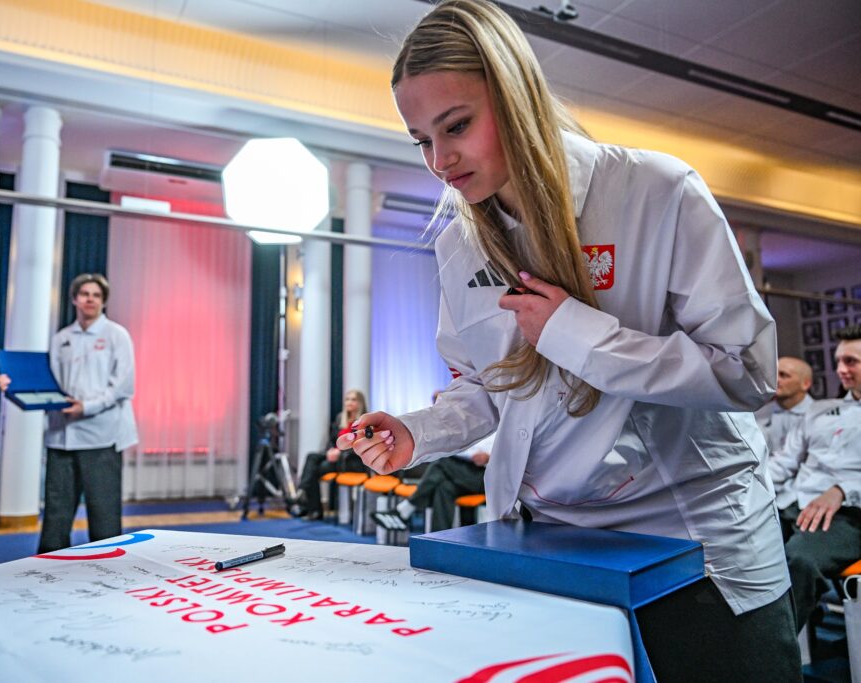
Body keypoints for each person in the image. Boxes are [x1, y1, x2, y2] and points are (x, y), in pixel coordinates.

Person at [337, 2, 798, 680]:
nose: (440, 160)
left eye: (456, 126)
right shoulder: (461, 243)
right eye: (420, 141)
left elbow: (748, 370)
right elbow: (489, 386)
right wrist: (417, 432)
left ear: (517, 99)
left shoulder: (655, 191)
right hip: (546, 544)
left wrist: (576, 334)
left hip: (689, 546)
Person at [0, 273, 137, 554]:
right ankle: (50, 570)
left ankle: (109, 569)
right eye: (84, 294)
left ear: (103, 301)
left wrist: (87, 406)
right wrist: (14, 385)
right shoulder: (61, 338)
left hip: (101, 437)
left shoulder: (116, 335)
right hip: (60, 437)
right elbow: (46, 382)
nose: (90, 300)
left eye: (96, 295)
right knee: (56, 516)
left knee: (104, 515)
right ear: (74, 299)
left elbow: (123, 386)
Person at [770, 326, 861, 631]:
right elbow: (784, 462)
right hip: (794, 505)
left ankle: (772, 649)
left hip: (848, 516)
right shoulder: (821, 411)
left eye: (851, 361)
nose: (841, 370)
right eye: (839, 361)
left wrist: (843, 490)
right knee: (740, 545)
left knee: (799, 560)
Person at [373, 430, 492, 533]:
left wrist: (488, 457)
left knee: (441, 463)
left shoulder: (500, 426)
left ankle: (406, 508)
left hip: (487, 479)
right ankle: (440, 539)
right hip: (466, 472)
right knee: (444, 487)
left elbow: (503, 459)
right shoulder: (477, 424)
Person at [296, 389, 369, 520]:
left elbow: (362, 446)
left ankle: (309, 504)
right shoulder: (340, 418)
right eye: (347, 399)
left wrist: (340, 453)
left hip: (352, 461)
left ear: (360, 403)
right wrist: (330, 450)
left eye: (353, 399)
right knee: (311, 457)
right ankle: (304, 495)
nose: (349, 402)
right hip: (337, 457)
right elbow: (332, 440)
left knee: (316, 469)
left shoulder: (365, 422)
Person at [756, 356, 813, 456]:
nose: (776, 380)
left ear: (805, 384)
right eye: (774, 375)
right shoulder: (757, 415)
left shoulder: (821, 416)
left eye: (783, 375)